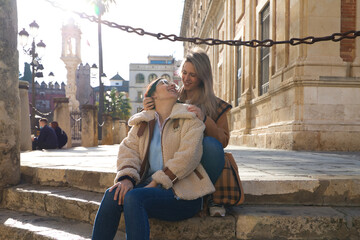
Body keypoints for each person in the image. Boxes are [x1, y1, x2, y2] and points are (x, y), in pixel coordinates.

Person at [92, 78, 215, 240]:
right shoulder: (143, 122)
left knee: (134, 197)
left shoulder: (190, 116)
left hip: (183, 194)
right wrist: (127, 178)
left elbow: (188, 156)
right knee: (112, 194)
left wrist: (156, 182)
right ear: (153, 96)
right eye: (163, 82)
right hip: (149, 189)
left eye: (173, 83)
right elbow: (128, 150)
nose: (172, 84)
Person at [144, 47, 232, 217]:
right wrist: (149, 105)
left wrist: (205, 119)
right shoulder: (172, 96)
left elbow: (224, 141)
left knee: (211, 146)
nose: (186, 78)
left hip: (202, 164)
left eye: (193, 74)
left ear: (203, 77)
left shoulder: (217, 106)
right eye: (184, 72)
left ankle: (205, 196)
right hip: (176, 160)